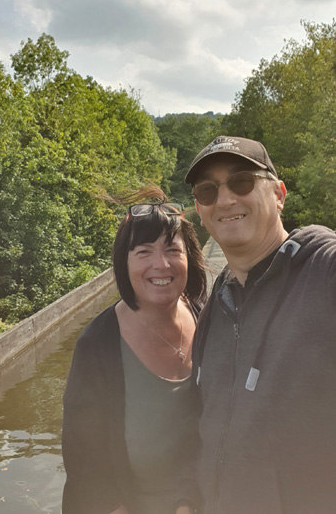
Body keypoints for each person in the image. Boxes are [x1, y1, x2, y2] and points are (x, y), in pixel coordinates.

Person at [185, 135, 336, 514]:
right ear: (200, 211)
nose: (224, 200)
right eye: (207, 191)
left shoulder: (322, 271)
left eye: (241, 182)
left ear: (279, 194)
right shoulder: (214, 308)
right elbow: (204, 429)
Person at [61, 186, 207, 514]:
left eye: (172, 249)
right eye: (144, 252)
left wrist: (190, 502)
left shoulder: (207, 318)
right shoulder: (97, 346)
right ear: (124, 262)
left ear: (190, 257)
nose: (161, 264)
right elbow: (84, 461)